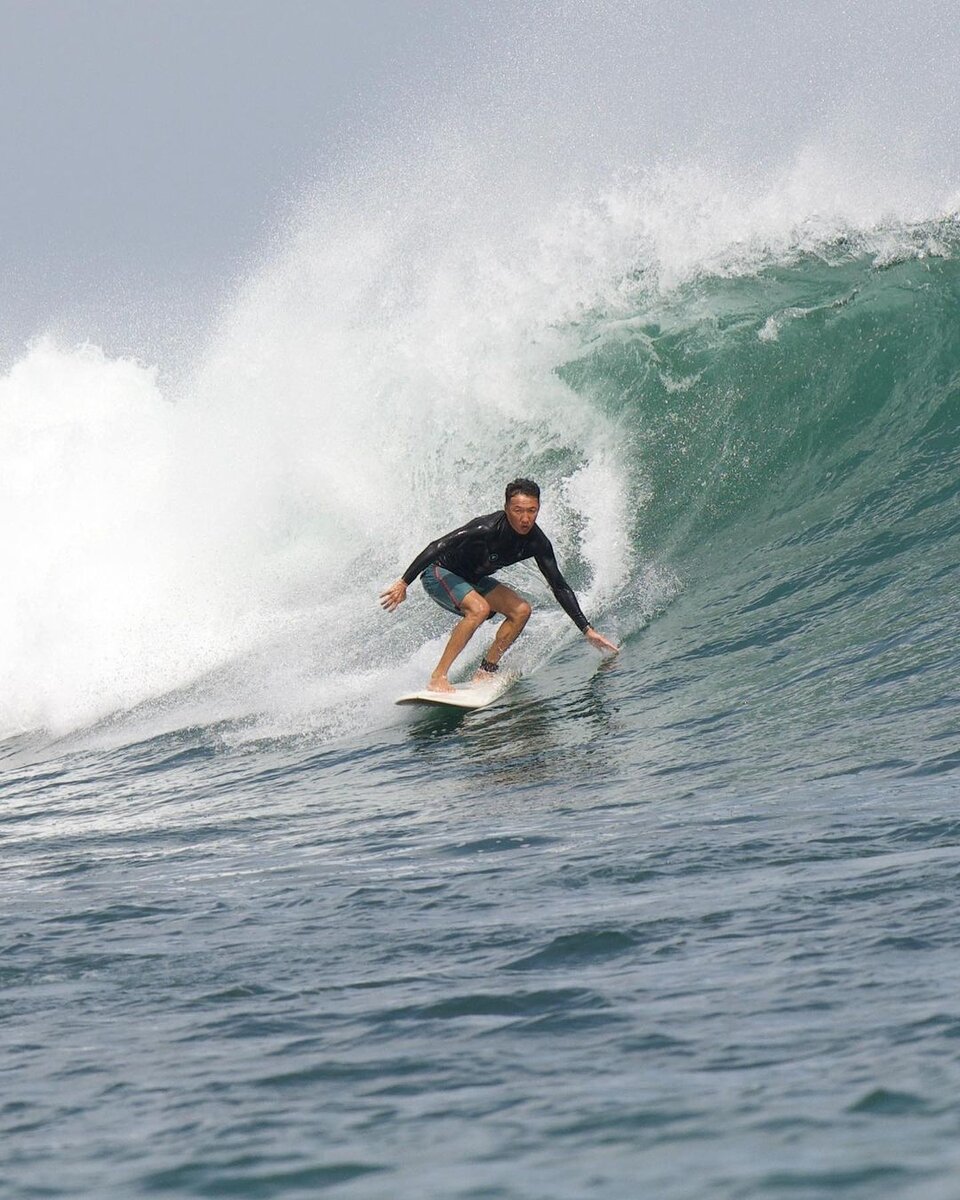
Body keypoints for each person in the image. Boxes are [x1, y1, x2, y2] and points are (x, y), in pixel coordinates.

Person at [380, 478, 619, 692]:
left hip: (474, 580)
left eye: (532, 511)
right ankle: (438, 677)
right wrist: (404, 582)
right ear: (506, 509)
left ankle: (486, 671)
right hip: (439, 573)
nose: (525, 518)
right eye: (518, 510)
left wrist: (587, 630)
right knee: (479, 609)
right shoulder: (486, 528)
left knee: (521, 610)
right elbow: (437, 546)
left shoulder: (537, 542)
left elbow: (559, 586)